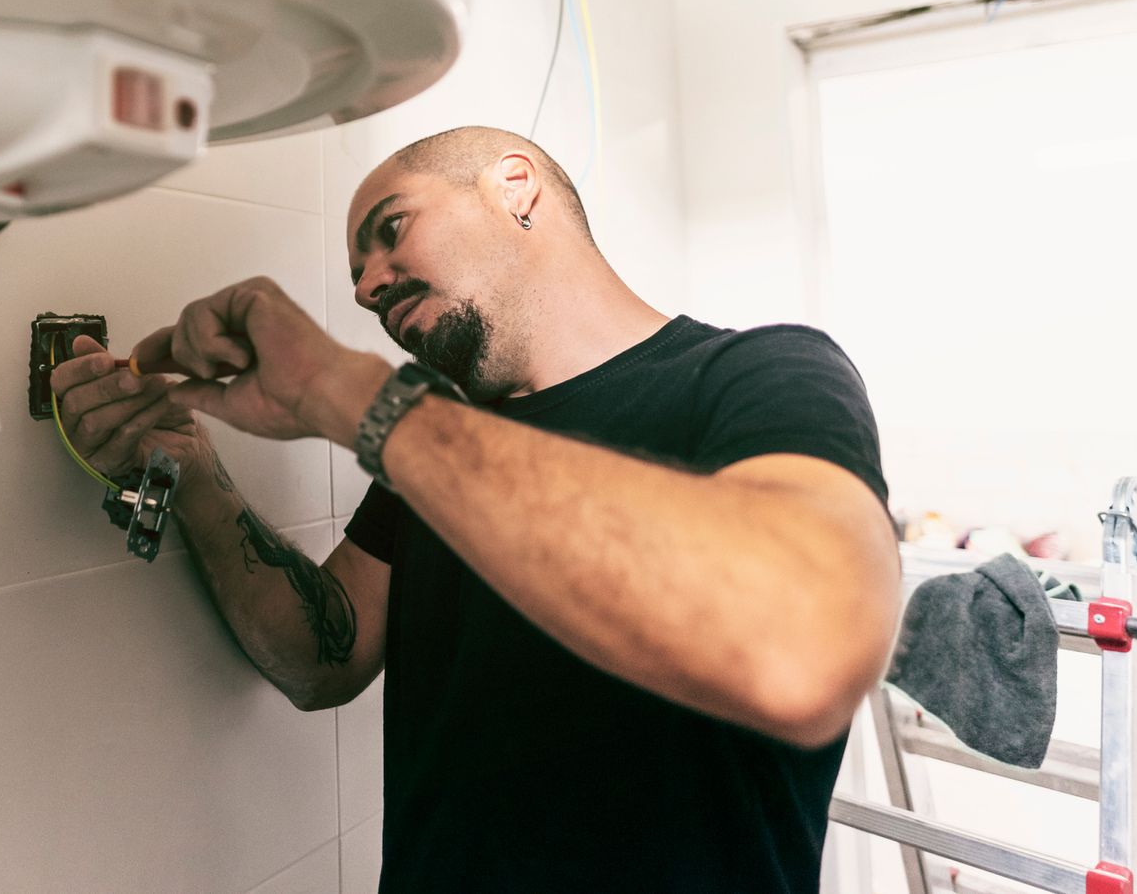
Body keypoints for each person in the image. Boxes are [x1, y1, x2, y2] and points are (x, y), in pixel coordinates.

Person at [49, 126, 899, 893]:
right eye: (359, 279)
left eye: (391, 229)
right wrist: (193, 471)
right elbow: (324, 656)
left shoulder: (760, 375)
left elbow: (805, 641)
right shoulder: (445, 442)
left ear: (516, 187)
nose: (369, 289)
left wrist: (348, 393)